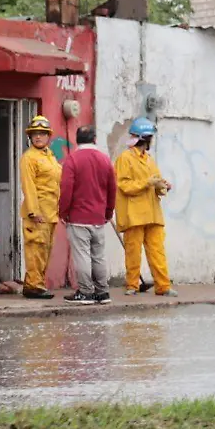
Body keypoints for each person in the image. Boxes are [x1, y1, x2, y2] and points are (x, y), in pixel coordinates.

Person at [114, 117, 177, 297]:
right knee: (133, 252)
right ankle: (132, 286)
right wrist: (147, 183)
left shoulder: (149, 160)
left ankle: (163, 286)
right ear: (145, 138)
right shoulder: (125, 159)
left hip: (152, 214)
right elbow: (124, 185)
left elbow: (156, 183)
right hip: (134, 214)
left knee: (157, 251)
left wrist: (163, 187)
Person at [58, 125, 117, 306]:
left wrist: (63, 212)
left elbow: (66, 189)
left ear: (77, 140)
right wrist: (108, 212)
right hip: (98, 217)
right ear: (94, 140)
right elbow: (112, 189)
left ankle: (85, 292)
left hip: (78, 217)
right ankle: (102, 291)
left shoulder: (72, 160)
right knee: (98, 256)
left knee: (82, 256)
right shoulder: (105, 160)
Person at [18, 115, 62, 299]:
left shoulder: (50, 156)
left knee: (44, 250)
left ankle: (34, 284)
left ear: (48, 136)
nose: (38, 137)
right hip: (37, 213)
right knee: (35, 249)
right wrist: (34, 211)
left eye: (42, 134)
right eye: (35, 134)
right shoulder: (29, 158)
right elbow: (28, 186)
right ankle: (35, 286)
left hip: (51, 212)